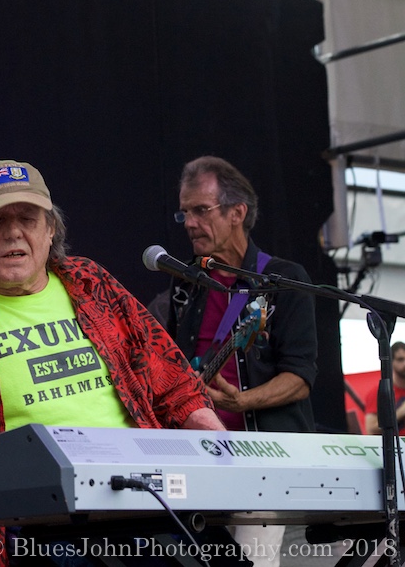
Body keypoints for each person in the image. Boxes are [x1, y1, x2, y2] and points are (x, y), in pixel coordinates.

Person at [0, 159, 225, 567]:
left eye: (28, 219)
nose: (14, 231)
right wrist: (41, 470)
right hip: (30, 515)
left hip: (144, 495)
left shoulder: (91, 282)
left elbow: (174, 383)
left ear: (51, 229)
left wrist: (225, 458)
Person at [163, 156, 318, 567]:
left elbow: (301, 377)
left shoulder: (283, 280)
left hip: (261, 459)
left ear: (237, 213)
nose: (189, 223)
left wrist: (242, 402)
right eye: (185, 212)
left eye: (201, 210)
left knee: (252, 561)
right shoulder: (186, 284)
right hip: (195, 459)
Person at [364, 341, 405, 435]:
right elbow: (370, 429)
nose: (404, 363)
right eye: (400, 359)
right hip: (394, 448)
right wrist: (400, 413)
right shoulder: (379, 392)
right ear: (391, 362)